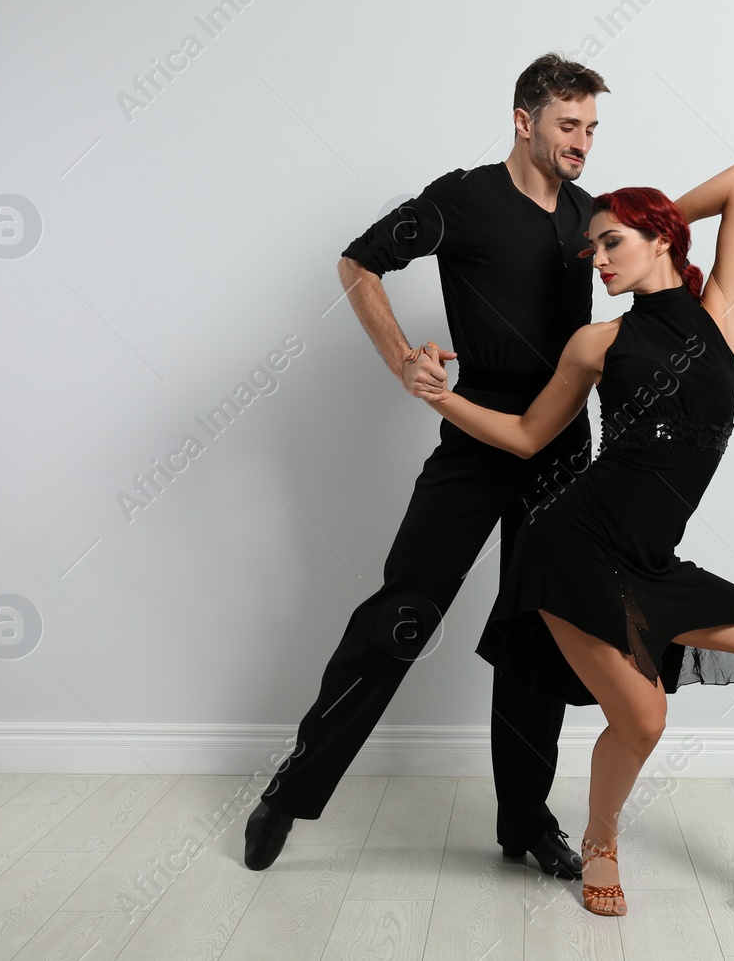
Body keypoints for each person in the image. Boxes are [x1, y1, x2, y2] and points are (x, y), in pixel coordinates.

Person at [412, 166, 734, 925]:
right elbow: (526, 435)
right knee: (643, 717)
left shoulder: (721, 315)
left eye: (611, 242)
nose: (597, 259)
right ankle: (600, 841)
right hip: (571, 545)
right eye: (591, 248)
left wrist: (654, 209)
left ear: (662, 236)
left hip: (648, 559)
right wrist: (444, 398)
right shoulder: (597, 341)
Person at [244, 53, 611, 879]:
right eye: (568, 125)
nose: (582, 141)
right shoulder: (464, 197)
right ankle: (291, 792)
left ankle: (524, 821)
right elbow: (357, 261)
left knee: (536, 636)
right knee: (401, 616)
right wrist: (403, 358)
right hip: (476, 434)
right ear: (524, 121)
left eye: (591, 127)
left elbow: (654, 255)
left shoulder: (587, 215)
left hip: (561, 448)